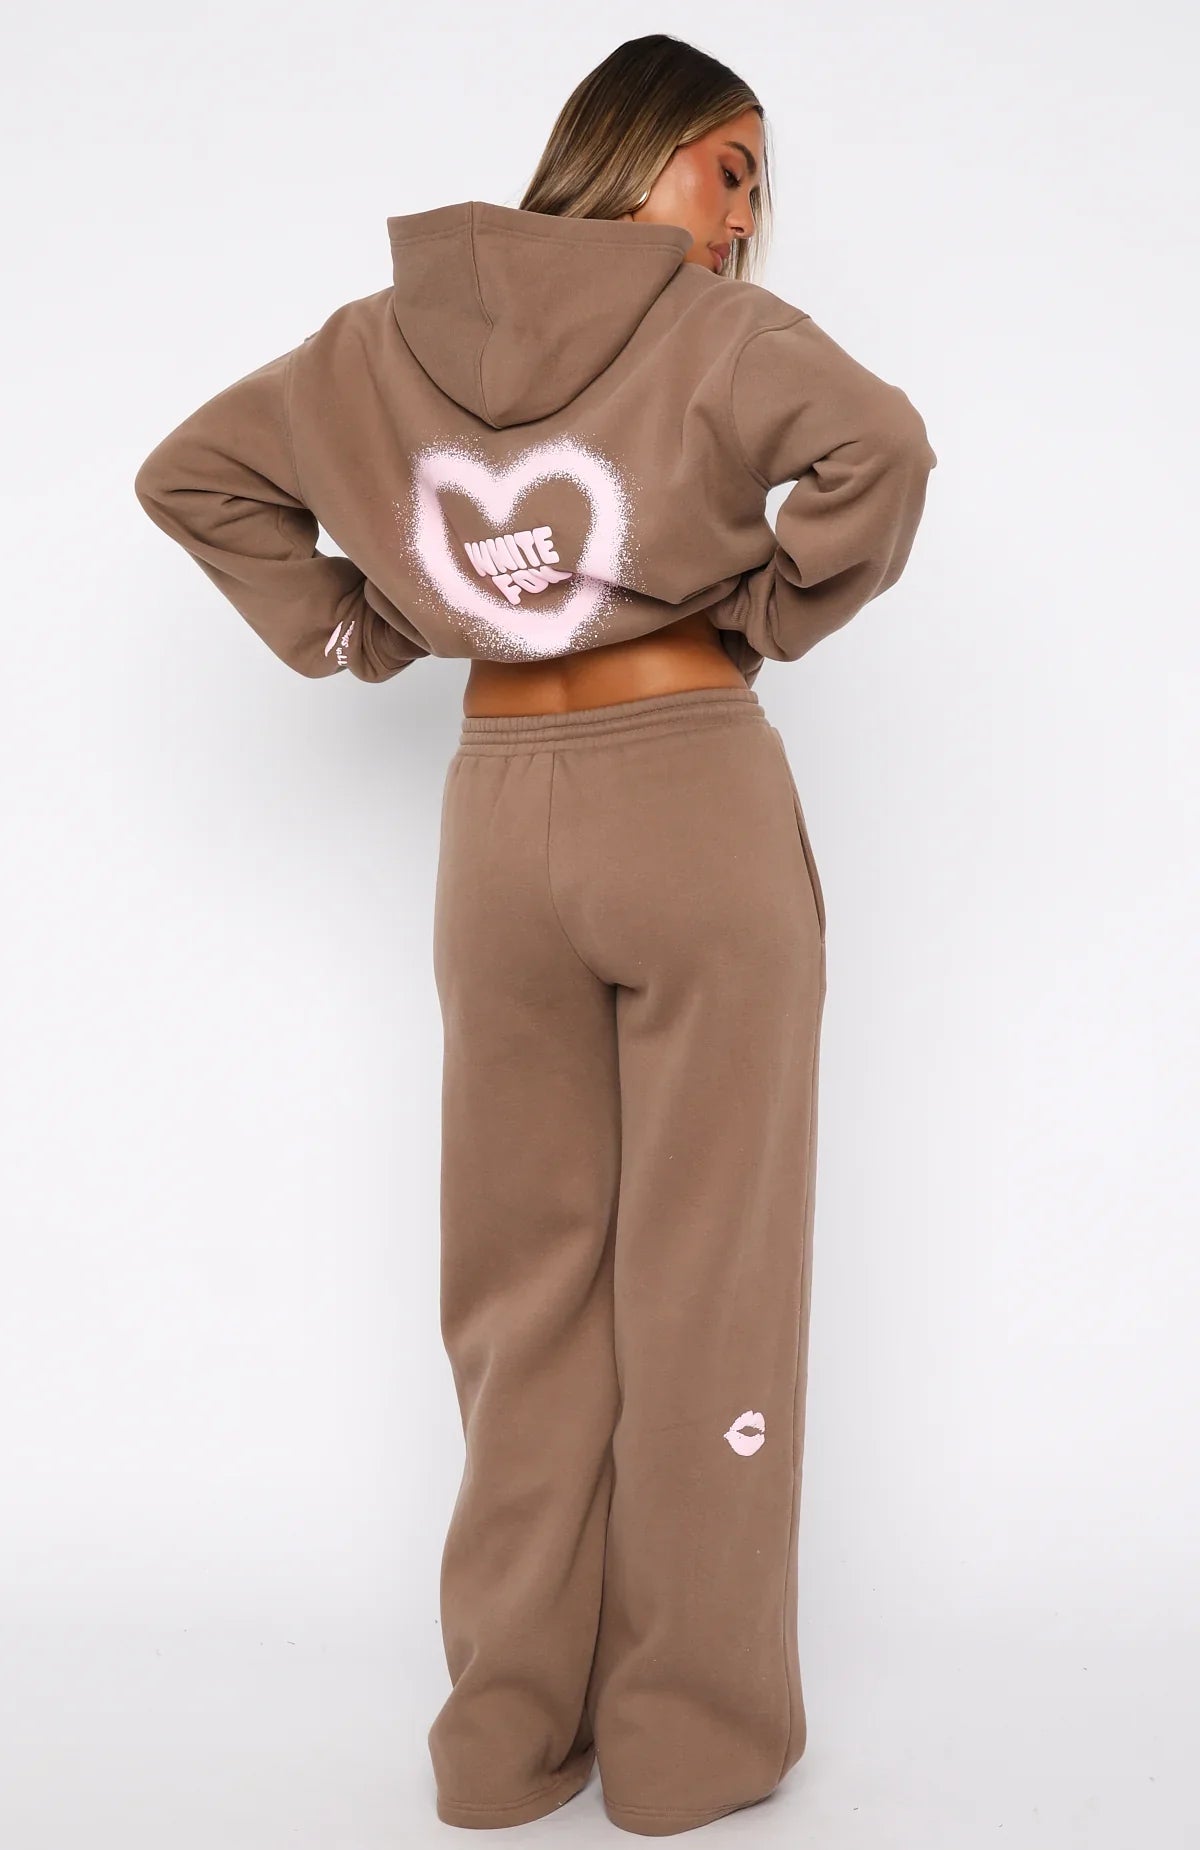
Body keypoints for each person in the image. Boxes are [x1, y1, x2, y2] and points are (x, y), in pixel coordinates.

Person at [133, 30, 937, 1838]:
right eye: (730, 165)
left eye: (760, 185)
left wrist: (364, 624)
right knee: (706, 1278)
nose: (745, 214)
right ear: (638, 149)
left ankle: (503, 1739)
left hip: (498, 823)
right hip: (690, 792)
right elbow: (880, 447)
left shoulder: (379, 343)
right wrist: (763, 609)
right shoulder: (716, 331)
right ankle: (688, 1744)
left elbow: (195, 474)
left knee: (520, 1294)